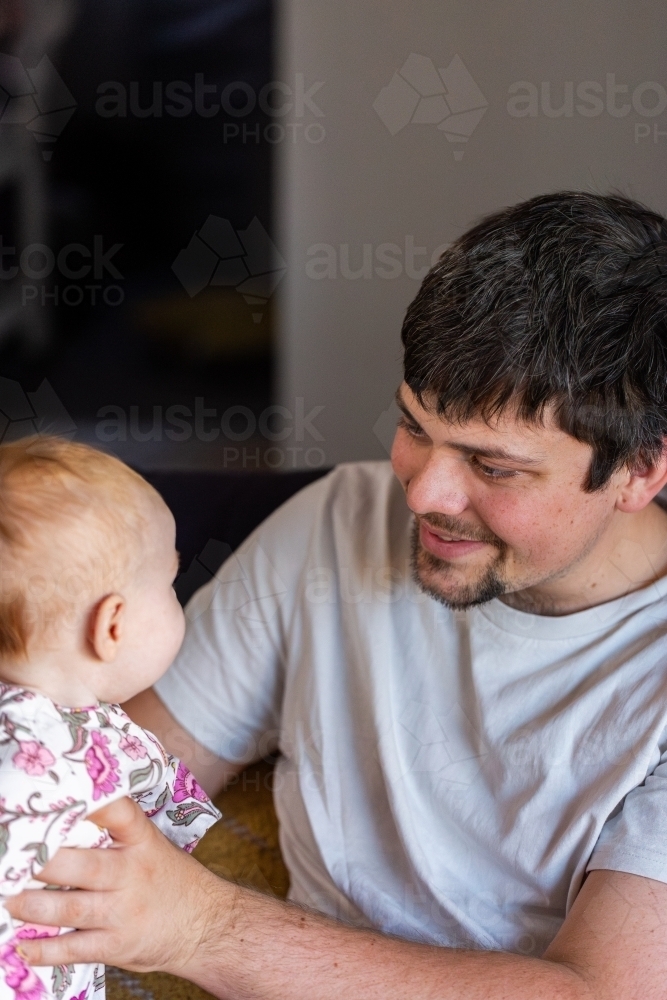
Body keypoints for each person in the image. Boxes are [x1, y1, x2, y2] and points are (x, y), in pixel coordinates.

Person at [8, 191, 667, 999]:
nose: (424, 493)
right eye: (414, 428)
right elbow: (88, 793)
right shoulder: (334, 521)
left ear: (639, 470)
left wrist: (201, 926)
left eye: (492, 467)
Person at [0, 437, 220, 1000]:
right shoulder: (97, 741)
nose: (176, 598)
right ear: (112, 627)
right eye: (170, 586)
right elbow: (168, 816)